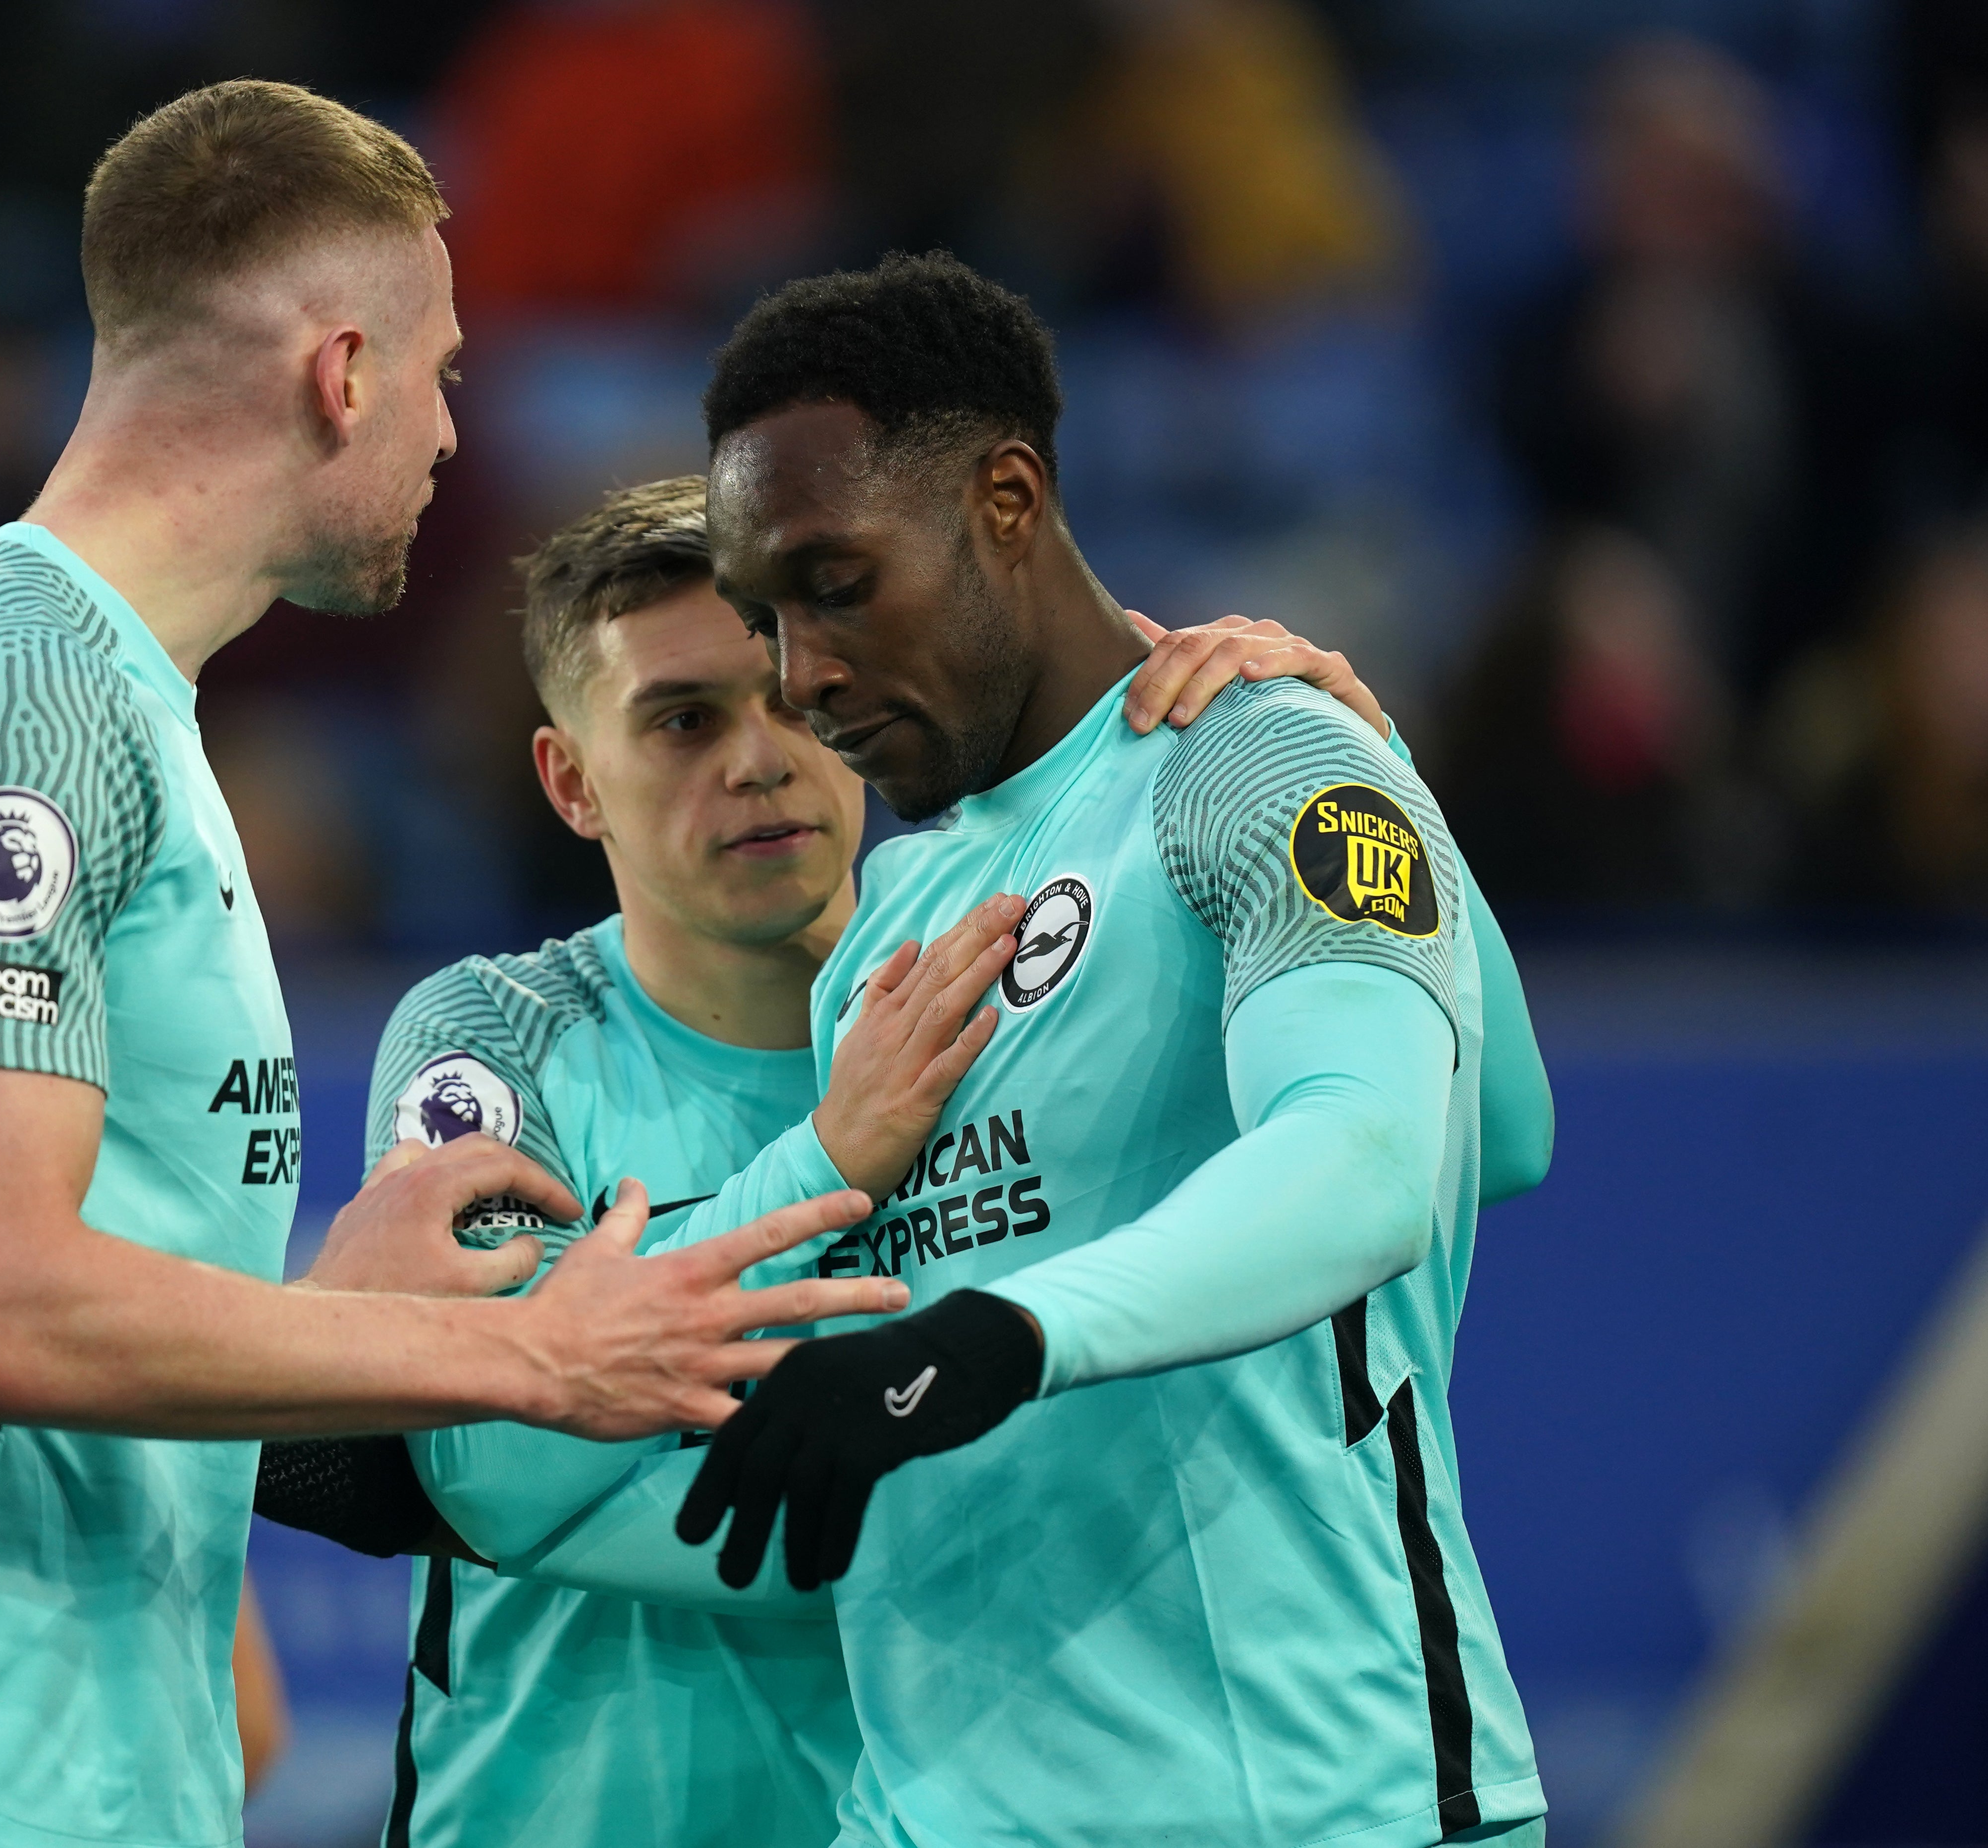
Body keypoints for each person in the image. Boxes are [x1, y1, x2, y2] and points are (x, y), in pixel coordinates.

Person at [0, 79, 902, 1848]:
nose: (450, 429)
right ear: (337, 371)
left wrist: (348, 1317)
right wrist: (534, 1361)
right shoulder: (22, 697)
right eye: (438, 369)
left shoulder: (43, 678)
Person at [577, 252, 1549, 1847]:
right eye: (766, 616)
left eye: (836, 584)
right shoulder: (891, 912)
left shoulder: (1247, 758)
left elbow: (1395, 1155)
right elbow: (1499, 1137)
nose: (801, 676)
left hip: (1303, 1799)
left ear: (1008, 499)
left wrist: (1000, 1335)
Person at [344, 475, 1403, 1846]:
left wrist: (1341, 763)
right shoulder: (496, 1040)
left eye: (785, 694)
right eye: (680, 720)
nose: (757, 758)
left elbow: (1454, 1142)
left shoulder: (1016, 990)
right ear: (570, 782)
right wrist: (826, 1161)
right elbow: (485, 1456)